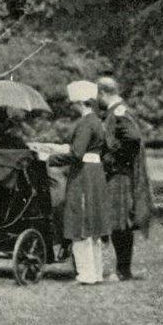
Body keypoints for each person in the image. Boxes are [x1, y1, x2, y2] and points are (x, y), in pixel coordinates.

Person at [47, 80, 112, 285]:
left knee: (80, 223)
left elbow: (76, 153)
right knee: (93, 227)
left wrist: (51, 158)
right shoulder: (97, 123)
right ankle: (96, 272)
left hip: (83, 176)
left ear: (81, 103)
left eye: (75, 103)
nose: (73, 107)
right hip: (95, 173)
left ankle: (86, 274)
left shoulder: (85, 123)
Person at [97, 75, 153, 281]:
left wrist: (115, 157)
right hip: (116, 173)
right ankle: (122, 269)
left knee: (120, 223)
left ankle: (123, 270)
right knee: (117, 223)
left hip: (120, 174)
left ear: (103, 93)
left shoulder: (119, 112)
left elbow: (133, 138)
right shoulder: (115, 112)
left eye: (98, 95)